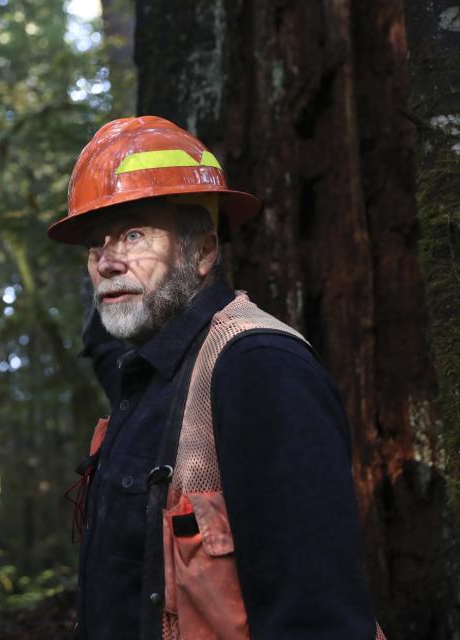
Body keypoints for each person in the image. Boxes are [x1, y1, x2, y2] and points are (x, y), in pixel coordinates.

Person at [47, 117, 382, 639]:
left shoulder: (259, 368)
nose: (108, 261)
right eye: (96, 243)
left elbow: (318, 615)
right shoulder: (147, 376)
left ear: (202, 252)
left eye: (134, 234)